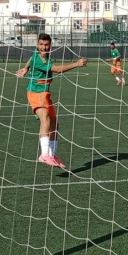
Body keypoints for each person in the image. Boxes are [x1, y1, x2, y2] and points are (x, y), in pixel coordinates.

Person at [16, 33, 88, 168]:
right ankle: (44, 155)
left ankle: (52, 155)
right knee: (46, 120)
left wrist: (26, 68)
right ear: (37, 45)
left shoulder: (38, 54)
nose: (43, 47)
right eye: (41, 45)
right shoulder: (40, 60)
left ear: (50, 45)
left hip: (44, 93)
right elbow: (58, 69)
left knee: (55, 123)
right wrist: (77, 64)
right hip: (35, 92)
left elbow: (30, 59)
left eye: (46, 44)